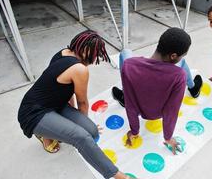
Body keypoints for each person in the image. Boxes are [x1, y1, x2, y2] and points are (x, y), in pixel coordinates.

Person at [18, 30, 130, 179]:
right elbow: (82, 102)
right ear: (86, 51)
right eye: (96, 54)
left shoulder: (64, 52)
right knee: (82, 137)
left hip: (55, 104)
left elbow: (65, 89)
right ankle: (117, 175)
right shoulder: (80, 69)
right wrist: (80, 128)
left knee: (92, 131)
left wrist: (84, 123)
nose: (96, 58)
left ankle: (50, 129)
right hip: (33, 112)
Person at [112, 28, 203, 155]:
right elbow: (171, 111)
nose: (181, 57)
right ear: (173, 56)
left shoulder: (129, 65)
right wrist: (168, 137)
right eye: (182, 55)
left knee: (125, 52)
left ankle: (125, 92)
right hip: (157, 114)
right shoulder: (178, 76)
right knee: (182, 63)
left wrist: (134, 131)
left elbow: (131, 105)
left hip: (136, 105)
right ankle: (193, 87)